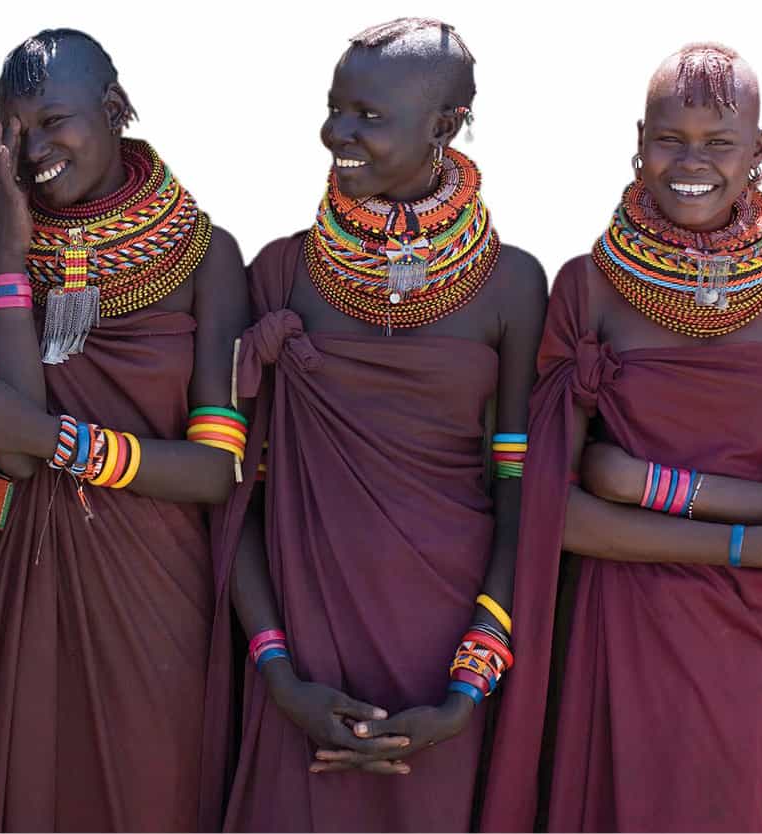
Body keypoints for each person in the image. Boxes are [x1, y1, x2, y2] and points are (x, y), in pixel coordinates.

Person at [481, 43, 762, 832]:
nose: (693, 161)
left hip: (735, 633)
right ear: (637, 141)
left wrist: (637, 482)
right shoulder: (585, 288)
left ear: (759, 151)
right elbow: (563, 516)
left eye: (719, 142)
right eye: (669, 138)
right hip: (613, 619)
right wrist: (755, 535)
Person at [208, 17, 547, 831]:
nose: (337, 133)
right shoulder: (281, 275)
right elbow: (235, 503)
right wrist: (280, 674)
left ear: (445, 127)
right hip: (301, 676)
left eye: (367, 115)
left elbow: (519, 507)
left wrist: (467, 692)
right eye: (333, 108)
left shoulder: (512, 287)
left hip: (447, 672)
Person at [0, 29, 249, 832]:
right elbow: (5, 451)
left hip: (160, 605)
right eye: (17, 130)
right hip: (25, 598)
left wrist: (55, 440)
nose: (37, 147)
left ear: (113, 110)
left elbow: (213, 470)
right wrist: (12, 249)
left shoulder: (206, 257)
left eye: (54, 120)